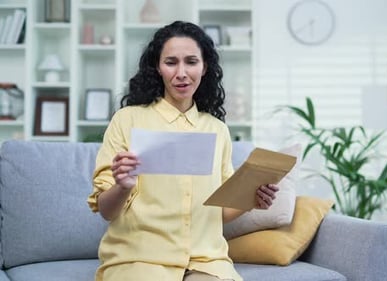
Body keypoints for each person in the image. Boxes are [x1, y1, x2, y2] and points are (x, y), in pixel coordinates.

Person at [86, 21, 279, 281]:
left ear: (204, 66)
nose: (181, 73)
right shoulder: (127, 120)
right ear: (157, 67)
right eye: (170, 62)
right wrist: (122, 186)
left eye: (191, 61)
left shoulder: (217, 129)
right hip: (140, 259)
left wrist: (252, 200)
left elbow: (220, 212)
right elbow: (107, 212)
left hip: (206, 261)